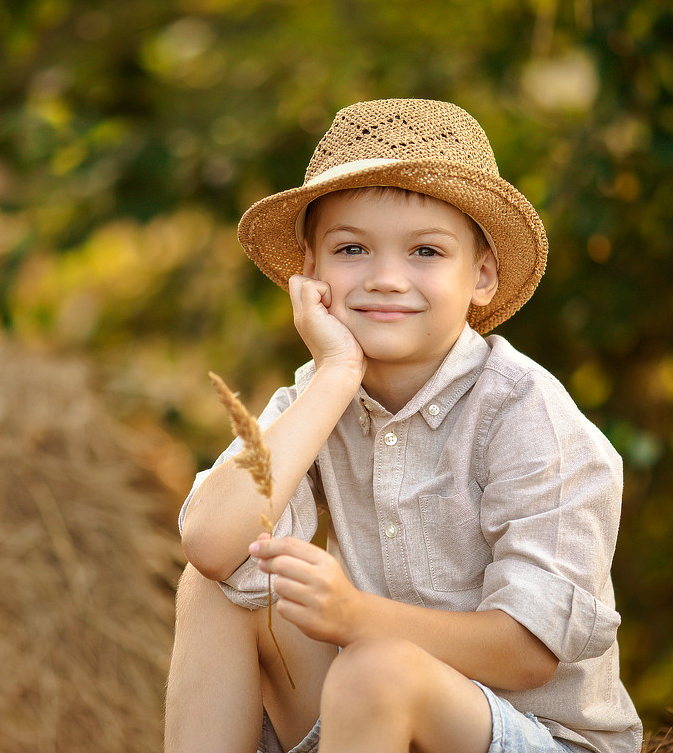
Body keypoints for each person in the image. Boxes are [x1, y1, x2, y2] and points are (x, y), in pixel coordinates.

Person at [165, 98, 642, 753]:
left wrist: (356, 617)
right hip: (372, 718)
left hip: (531, 735)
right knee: (220, 589)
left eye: (425, 251)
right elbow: (212, 544)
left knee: (377, 668)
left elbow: (529, 653)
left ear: (481, 275)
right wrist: (336, 373)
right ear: (311, 273)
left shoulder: (527, 415)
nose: (387, 279)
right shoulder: (321, 395)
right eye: (352, 249)